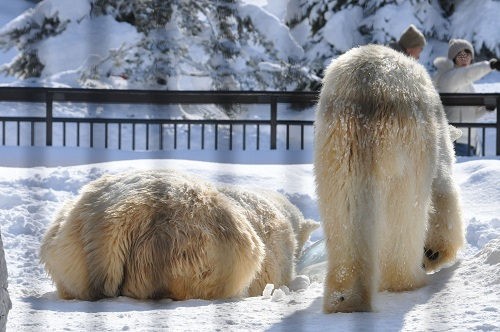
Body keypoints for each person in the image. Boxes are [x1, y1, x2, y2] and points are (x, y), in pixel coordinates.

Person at [433, 39, 500, 156]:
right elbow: (467, 74)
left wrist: (486, 109)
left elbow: (472, 114)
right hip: (454, 142)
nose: (464, 58)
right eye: (460, 55)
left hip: (469, 142)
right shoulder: (448, 77)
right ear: (453, 58)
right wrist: (490, 65)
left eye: (467, 54)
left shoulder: (468, 84)